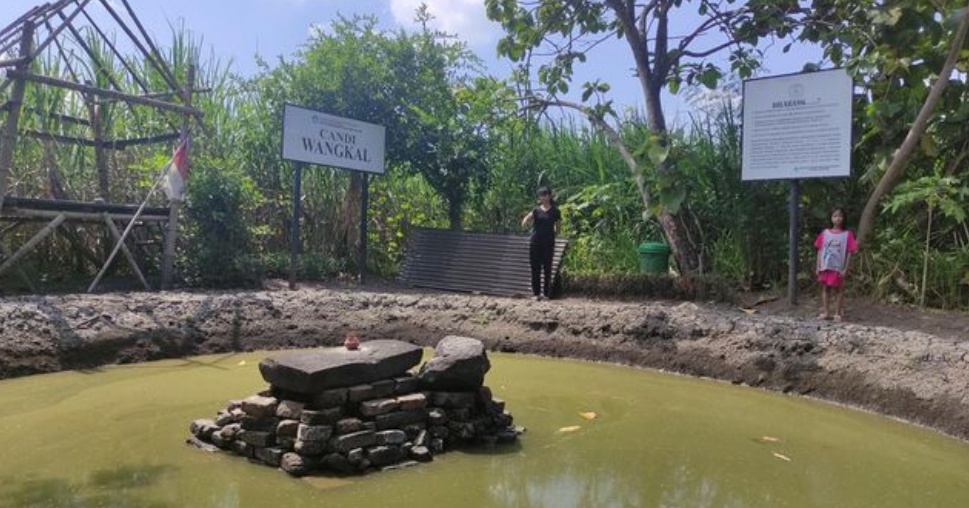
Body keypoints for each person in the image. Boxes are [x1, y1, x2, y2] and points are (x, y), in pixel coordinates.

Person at [815, 207, 858, 321]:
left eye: (840, 216)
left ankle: (838, 313)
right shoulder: (825, 233)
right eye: (835, 216)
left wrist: (846, 268)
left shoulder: (847, 234)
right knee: (825, 289)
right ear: (831, 218)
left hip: (838, 267)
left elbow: (850, 252)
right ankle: (826, 312)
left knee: (840, 289)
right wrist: (818, 266)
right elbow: (819, 249)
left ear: (843, 218)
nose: (837, 218)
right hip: (825, 266)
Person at [521, 186, 561, 300]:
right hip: (535, 242)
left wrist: (552, 236)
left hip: (548, 242)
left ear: (550, 196)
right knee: (535, 268)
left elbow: (558, 228)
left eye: (546, 194)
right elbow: (526, 219)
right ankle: (536, 293)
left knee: (547, 268)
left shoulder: (555, 211)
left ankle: (546, 294)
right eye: (542, 195)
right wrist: (525, 223)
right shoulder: (536, 210)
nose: (544, 197)